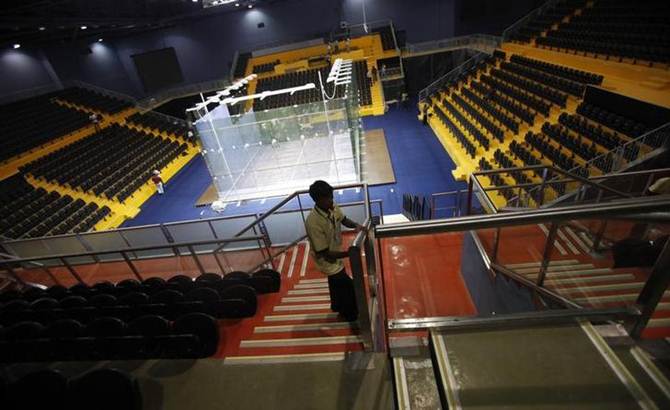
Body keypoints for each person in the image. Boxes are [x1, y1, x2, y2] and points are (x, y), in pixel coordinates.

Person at [305, 180, 364, 321]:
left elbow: (343, 219)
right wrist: (349, 253)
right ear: (317, 200)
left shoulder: (332, 207)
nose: (331, 201)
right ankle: (350, 315)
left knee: (336, 282)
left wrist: (356, 225)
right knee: (348, 287)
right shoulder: (313, 222)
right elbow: (324, 252)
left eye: (332, 197)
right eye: (327, 198)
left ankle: (337, 306)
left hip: (335, 252)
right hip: (326, 259)